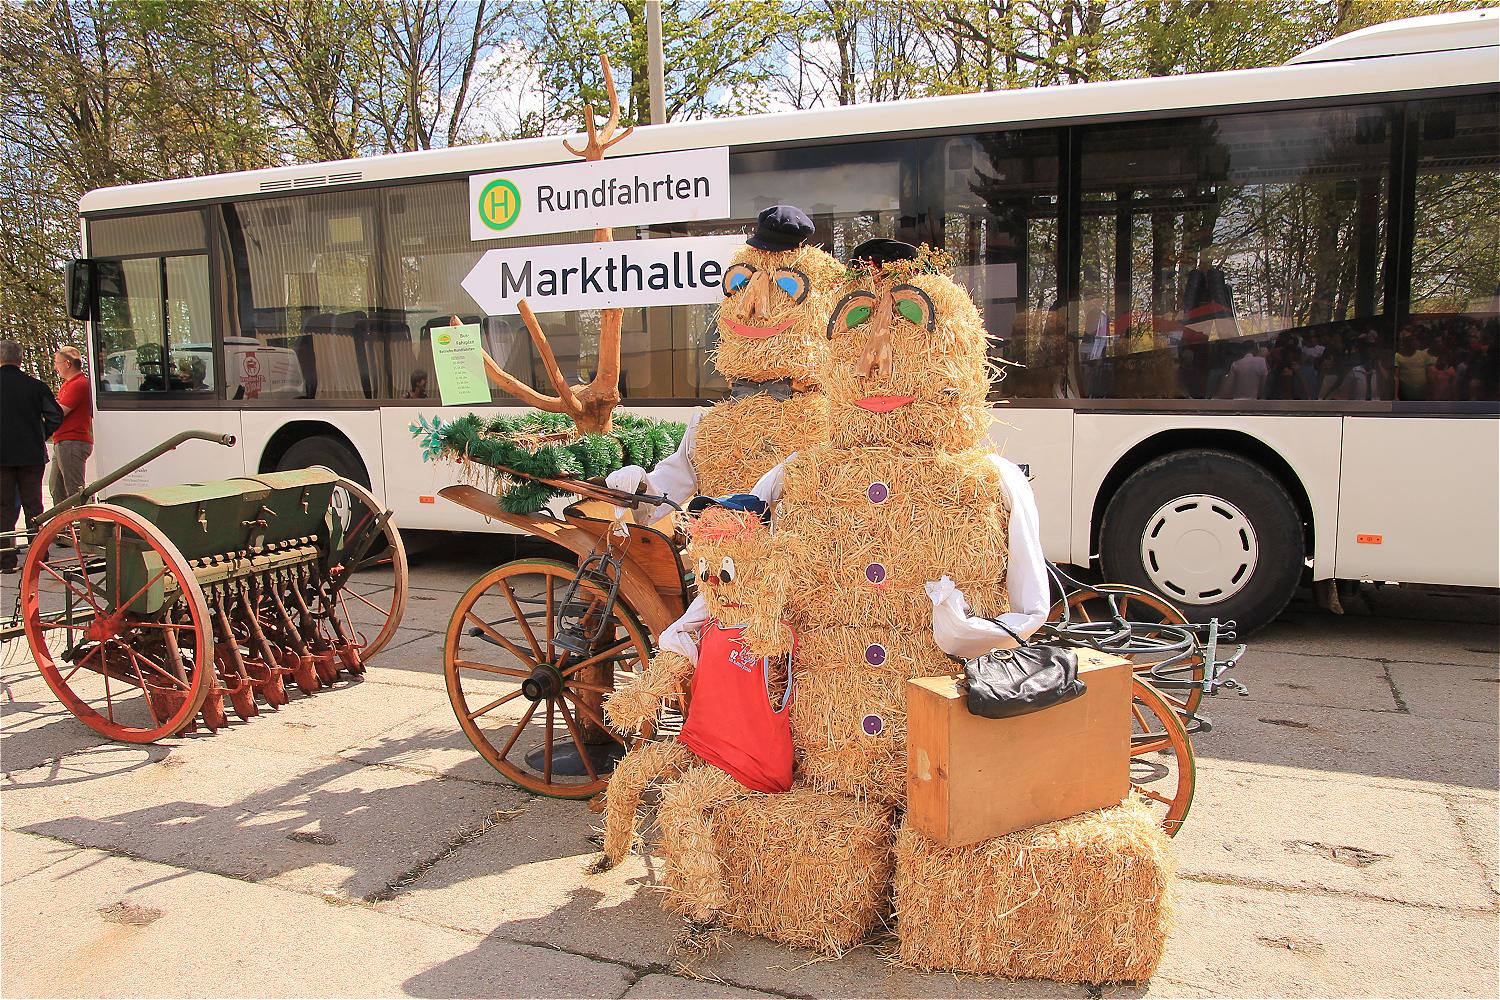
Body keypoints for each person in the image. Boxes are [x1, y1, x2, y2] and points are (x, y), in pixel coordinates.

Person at [1, 341, 64, 573]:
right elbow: (55, 415)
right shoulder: (35, 386)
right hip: (31, 454)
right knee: (34, 506)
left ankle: (6, 560)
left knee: (3, 508)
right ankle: (39, 555)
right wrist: (41, 435)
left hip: (1, 458)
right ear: (20, 360)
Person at [49, 346, 93, 507]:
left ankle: (88, 525)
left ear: (67, 364)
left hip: (72, 440)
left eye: (57, 363)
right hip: (63, 441)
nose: (55, 367)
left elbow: (59, 412)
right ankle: (62, 526)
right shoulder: (69, 385)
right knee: (56, 487)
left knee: (75, 489)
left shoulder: (79, 384)